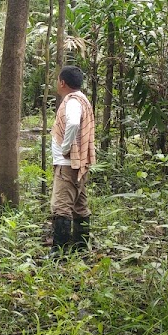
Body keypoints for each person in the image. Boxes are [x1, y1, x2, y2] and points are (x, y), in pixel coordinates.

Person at [50, 65, 96, 253]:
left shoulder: (73, 102)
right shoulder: (82, 99)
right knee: (79, 206)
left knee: (61, 207)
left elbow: (74, 122)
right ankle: (81, 248)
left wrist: (65, 147)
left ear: (62, 82)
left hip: (68, 163)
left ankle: (59, 253)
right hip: (79, 162)